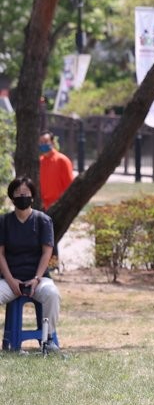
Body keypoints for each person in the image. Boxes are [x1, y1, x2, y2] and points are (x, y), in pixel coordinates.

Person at [0, 176, 60, 350]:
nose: (22, 197)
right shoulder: (4, 221)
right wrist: (11, 281)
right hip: (10, 281)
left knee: (52, 294)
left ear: (32, 196)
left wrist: (36, 279)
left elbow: (46, 253)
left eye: (25, 193)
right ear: (12, 198)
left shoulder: (43, 221)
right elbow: (1, 254)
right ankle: (10, 342)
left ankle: (48, 340)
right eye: (17, 194)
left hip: (38, 279)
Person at [38, 132, 74, 210]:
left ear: (52, 142)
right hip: (43, 207)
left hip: (60, 207)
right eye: (41, 142)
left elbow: (70, 186)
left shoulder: (62, 160)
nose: (43, 144)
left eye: (46, 141)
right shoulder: (40, 161)